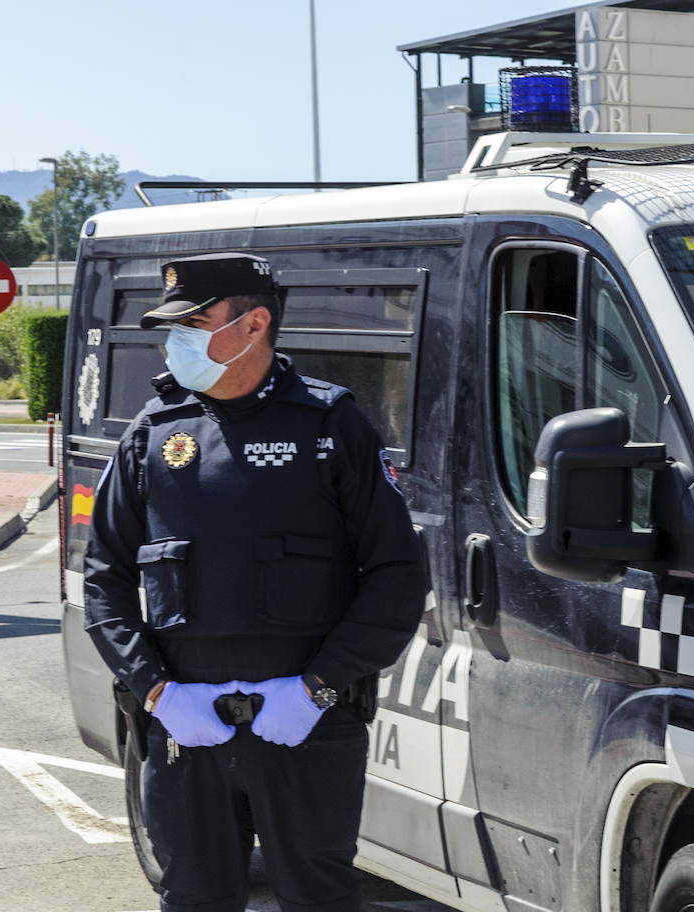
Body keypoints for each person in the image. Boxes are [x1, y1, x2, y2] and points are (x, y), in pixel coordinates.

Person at [83, 252, 426, 912]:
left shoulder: (331, 427)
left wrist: (317, 689)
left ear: (254, 324)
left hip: (304, 730)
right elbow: (105, 582)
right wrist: (154, 692)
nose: (175, 341)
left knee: (318, 899)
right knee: (193, 898)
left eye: (192, 324)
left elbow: (396, 577)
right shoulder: (153, 436)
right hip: (187, 730)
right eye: (172, 328)